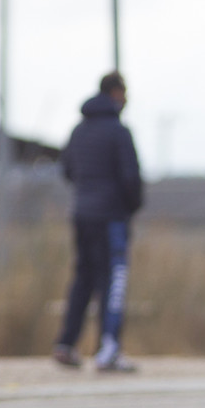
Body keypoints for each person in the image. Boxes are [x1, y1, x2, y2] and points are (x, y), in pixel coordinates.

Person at [52, 71, 144, 372]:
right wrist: (130, 206)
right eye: (125, 92)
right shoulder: (118, 131)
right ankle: (110, 351)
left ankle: (66, 344)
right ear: (116, 93)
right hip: (110, 218)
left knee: (83, 279)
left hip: (82, 215)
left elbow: (66, 170)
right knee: (113, 280)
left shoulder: (79, 130)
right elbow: (131, 178)